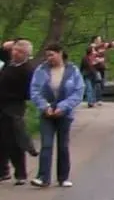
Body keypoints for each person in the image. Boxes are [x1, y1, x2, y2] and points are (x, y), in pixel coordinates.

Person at [29, 43, 83, 188]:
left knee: (63, 145)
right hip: (46, 113)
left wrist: (63, 107)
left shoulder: (73, 71)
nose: (49, 58)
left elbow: (78, 92)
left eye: (52, 55)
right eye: (47, 56)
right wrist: (45, 106)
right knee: (46, 144)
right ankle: (43, 177)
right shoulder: (41, 70)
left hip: (64, 114)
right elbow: (34, 91)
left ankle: (63, 177)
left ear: (60, 53)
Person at [0, 39, 33, 185]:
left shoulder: (27, 70)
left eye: (19, 52)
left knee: (14, 141)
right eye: (14, 50)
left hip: (14, 107)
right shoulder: (8, 65)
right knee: (1, 140)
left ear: (26, 54)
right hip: (2, 105)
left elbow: (28, 93)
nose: (15, 53)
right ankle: (3, 171)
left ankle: (21, 173)